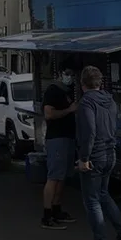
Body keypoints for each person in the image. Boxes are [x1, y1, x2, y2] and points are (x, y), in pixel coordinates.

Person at [76, 66, 121, 240]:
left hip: (94, 157)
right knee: (103, 194)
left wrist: (84, 158)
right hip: (110, 153)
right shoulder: (110, 101)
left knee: (92, 201)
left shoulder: (86, 103)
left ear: (82, 83)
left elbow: (89, 132)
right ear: (100, 83)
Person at [41, 68, 78, 230]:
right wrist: (69, 110)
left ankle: (57, 209)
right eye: (67, 73)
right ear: (59, 74)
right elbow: (49, 114)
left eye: (72, 74)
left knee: (62, 176)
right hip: (57, 138)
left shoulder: (68, 91)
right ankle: (47, 215)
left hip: (68, 137)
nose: (70, 77)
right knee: (54, 176)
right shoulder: (53, 90)